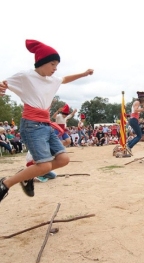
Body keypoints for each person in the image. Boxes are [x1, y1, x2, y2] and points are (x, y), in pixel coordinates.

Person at [0, 39, 94, 202]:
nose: (55, 68)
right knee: (44, 166)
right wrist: (2, 87)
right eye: (52, 64)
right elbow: (4, 83)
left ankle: (27, 176)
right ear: (41, 62)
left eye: (56, 65)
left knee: (63, 159)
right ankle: (5, 184)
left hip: (45, 126)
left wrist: (84, 74)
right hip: (31, 126)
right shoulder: (25, 76)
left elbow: (64, 79)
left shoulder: (52, 80)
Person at [126, 91, 144, 155]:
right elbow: (135, 110)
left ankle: (129, 144)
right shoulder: (137, 102)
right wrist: (142, 108)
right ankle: (129, 146)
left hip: (134, 120)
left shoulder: (138, 103)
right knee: (139, 135)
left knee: (138, 135)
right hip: (133, 119)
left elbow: (140, 110)